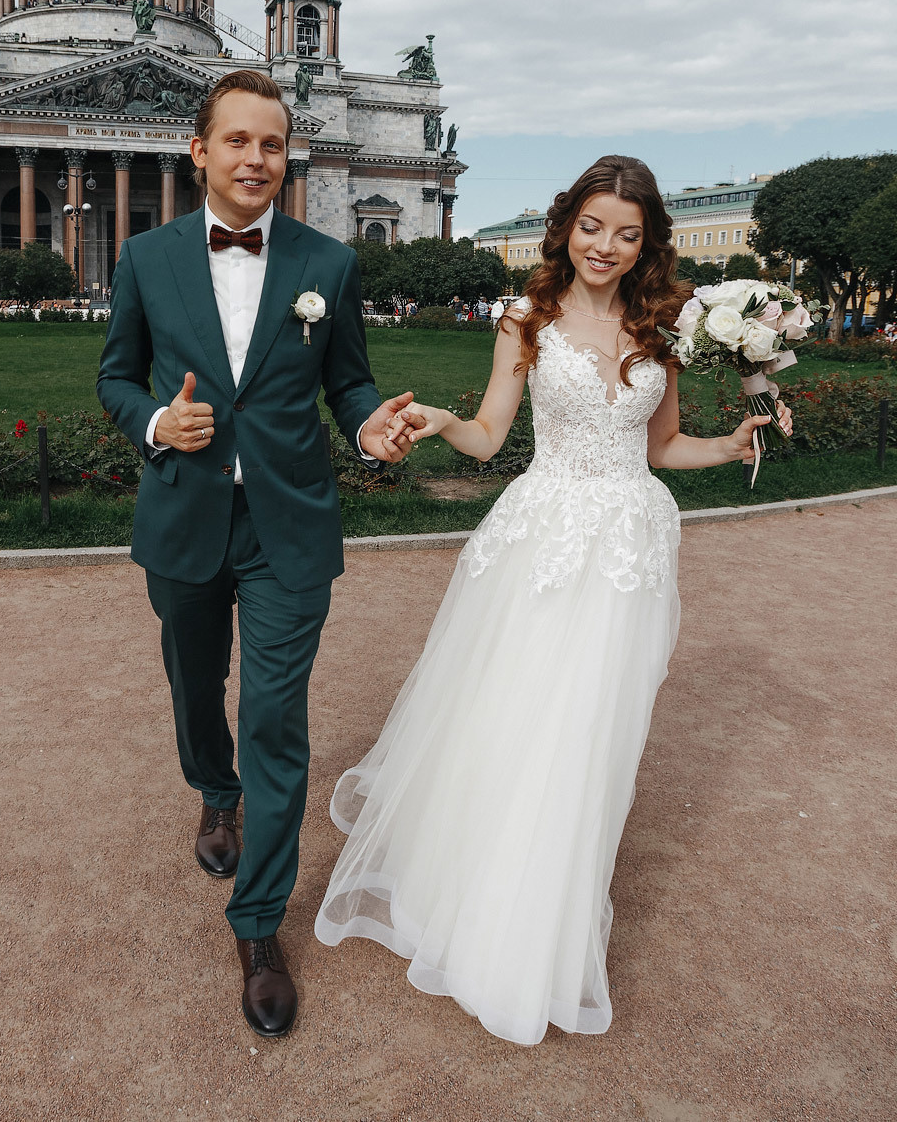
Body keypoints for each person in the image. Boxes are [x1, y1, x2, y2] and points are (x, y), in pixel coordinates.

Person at [315, 155, 788, 1046]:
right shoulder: (524, 317)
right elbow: (492, 433)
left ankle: (546, 924)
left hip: (632, 552)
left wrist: (728, 448)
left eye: (627, 232)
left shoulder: (661, 329)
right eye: (592, 226)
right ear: (566, 225)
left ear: (647, 243)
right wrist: (443, 423)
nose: (606, 246)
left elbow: (662, 446)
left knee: (591, 737)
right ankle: (479, 910)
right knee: (518, 722)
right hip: (543, 539)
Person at [96, 69, 422, 1039]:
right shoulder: (145, 257)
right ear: (197, 151)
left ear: (289, 156)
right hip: (184, 518)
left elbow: (350, 387)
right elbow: (114, 375)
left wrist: (369, 431)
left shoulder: (329, 262)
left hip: (289, 531)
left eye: (271, 144)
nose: (254, 159)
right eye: (235, 141)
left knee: (276, 718)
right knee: (199, 692)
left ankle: (257, 926)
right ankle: (213, 791)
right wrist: (157, 420)